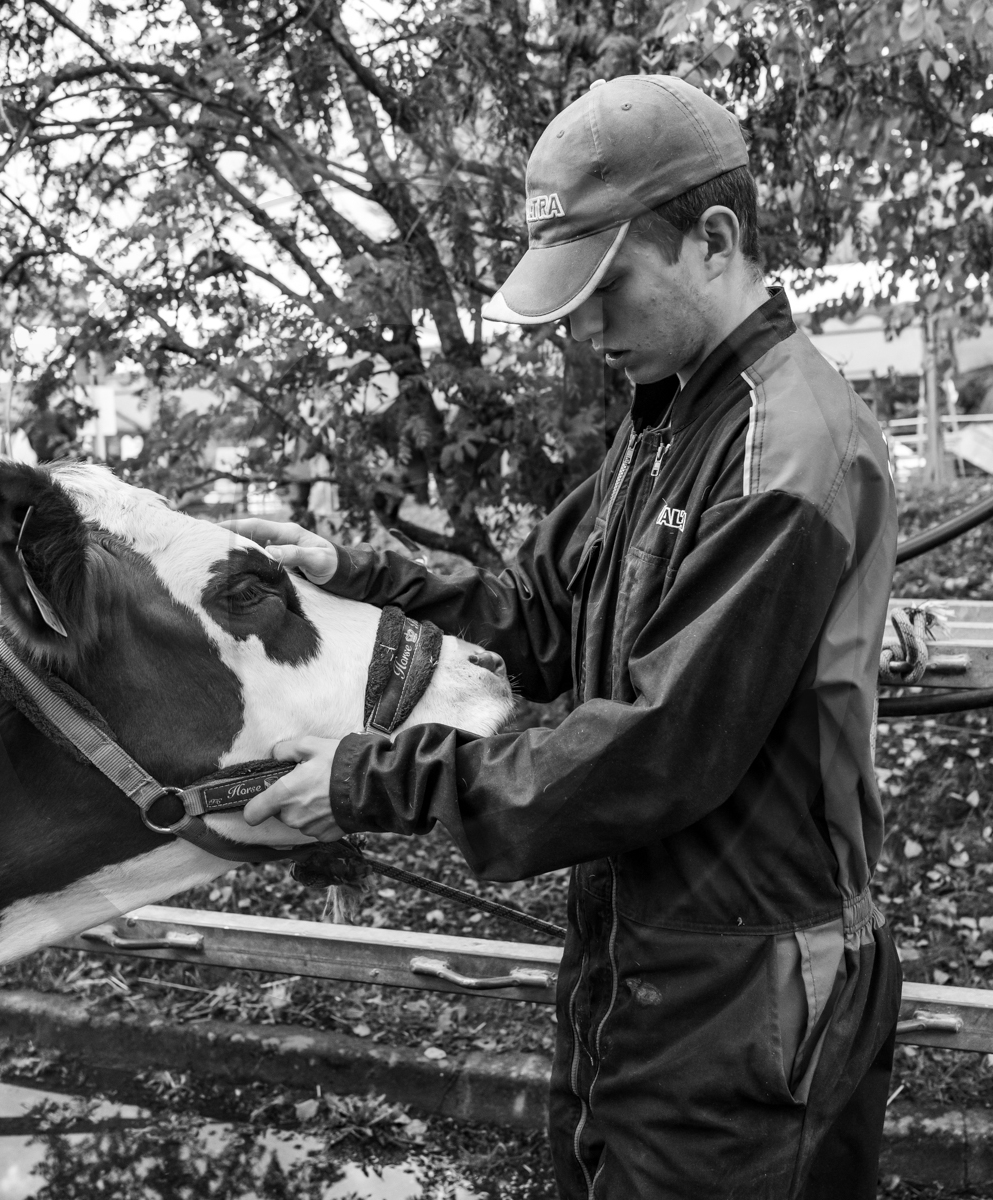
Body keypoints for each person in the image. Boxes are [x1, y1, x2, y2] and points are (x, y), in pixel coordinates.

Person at [228, 74, 900, 1199]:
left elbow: (658, 749)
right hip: (637, 957)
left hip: (754, 990)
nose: (584, 331)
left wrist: (372, 780)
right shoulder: (667, 417)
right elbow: (541, 616)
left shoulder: (785, 452)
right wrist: (358, 571)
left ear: (713, 240)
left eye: (607, 288)